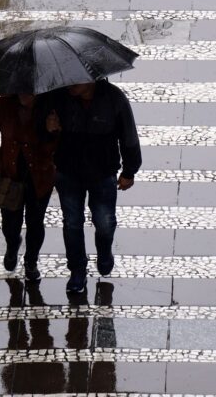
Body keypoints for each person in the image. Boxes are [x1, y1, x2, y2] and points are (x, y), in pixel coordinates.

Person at [43, 80, 142, 293]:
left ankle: (104, 251)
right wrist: (49, 129)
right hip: (69, 171)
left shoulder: (114, 98)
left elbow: (128, 136)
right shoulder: (59, 97)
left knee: (105, 223)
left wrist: (129, 171)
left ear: (91, 78)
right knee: (72, 223)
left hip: (102, 172)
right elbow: (42, 134)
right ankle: (77, 270)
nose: (71, 84)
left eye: (76, 81)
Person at [0, 93, 56, 282]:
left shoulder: (50, 105)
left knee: (35, 222)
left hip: (40, 176)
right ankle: (12, 244)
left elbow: (59, 144)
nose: (24, 95)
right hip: (10, 174)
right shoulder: (4, 103)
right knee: (10, 223)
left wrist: (53, 131)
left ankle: (31, 262)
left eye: (28, 91)